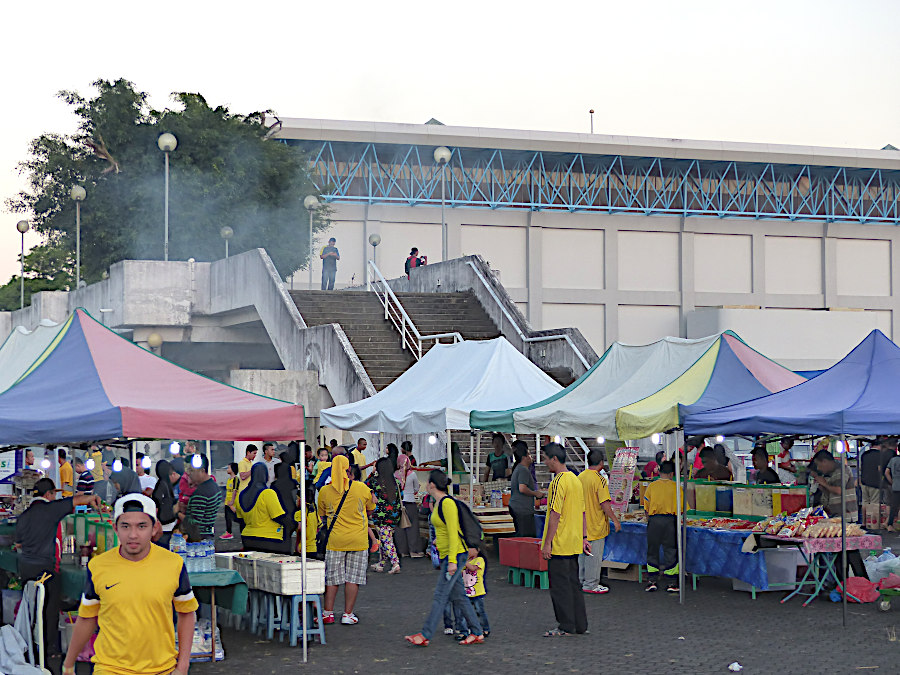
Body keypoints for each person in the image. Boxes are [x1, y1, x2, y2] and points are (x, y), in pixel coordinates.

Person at [61, 494, 198, 675]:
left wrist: (183, 666)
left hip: (161, 669)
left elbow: (187, 614)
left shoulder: (173, 564)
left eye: (142, 526)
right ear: (115, 528)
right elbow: (87, 618)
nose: (133, 535)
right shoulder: (98, 566)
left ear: (155, 528)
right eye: (125, 526)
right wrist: (68, 664)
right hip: (110, 668)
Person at [16, 478, 100, 656]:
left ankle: (28, 646)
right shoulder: (50, 509)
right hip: (45, 569)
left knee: (30, 608)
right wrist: (93, 497)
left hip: (26, 568)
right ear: (48, 494)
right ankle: (48, 650)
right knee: (49, 609)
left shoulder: (24, 515)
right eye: (54, 493)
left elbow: (18, 542)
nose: (55, 497)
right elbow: (77, 500)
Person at [404, 469, 484, 646]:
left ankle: (425, 634)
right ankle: (477, 631)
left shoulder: (447, 504)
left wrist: (453, 562)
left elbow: (453, 533)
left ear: (431, 484)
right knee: (459, 596)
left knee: (441, 595)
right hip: (449, 554)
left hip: (454, 555)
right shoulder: (440, 503)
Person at [538, 443, 589, 637]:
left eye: (545, 458)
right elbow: (583, 512)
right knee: (573, 584)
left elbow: (554, 514)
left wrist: (548, 542)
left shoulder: (558, 482)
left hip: (560, 542)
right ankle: (580, 624)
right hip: (574, 541)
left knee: (560, 588)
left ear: (554, 459)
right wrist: (584, 537)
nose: (544, 462)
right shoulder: (575, 480)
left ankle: (566, 625)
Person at [318, 455, 376, 625]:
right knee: (353, 578)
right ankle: (347, 614)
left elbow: (322, 515)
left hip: (335, 540)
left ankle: (327, 613)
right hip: (358, 540)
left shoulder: (325, 491)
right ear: (347, 469)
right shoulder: (361, 488)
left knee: (332, 578)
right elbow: (371, 509)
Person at [579, 449, 621, 595]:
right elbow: (605, 504)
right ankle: (591, 584)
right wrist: (615, 520)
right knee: (594, 557)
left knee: (582, 556)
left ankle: (582, 581)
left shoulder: (580, 477)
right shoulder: (599, 479)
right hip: (595, 524)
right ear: (601, 463)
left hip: (581, 524)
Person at [641, 460, 681, 593]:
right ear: (671, 474)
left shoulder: (652, 486)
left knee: (652, 550)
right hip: (670, 521)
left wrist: (650, 520)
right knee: (670, 550)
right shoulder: (676, 487)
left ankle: (652, 581)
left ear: (659, 472)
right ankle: (671, 583)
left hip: (654, 521)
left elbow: (646, 507)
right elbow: (681, 509)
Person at [237, 463, 288, 553]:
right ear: (266, 476)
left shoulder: (241, 495)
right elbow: (278, 516)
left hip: (247, 538)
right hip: (269, 539)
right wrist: (294, 523)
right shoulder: (267, 493)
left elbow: (240, 520)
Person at [366, 457, 403, 574]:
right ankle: (381, 563)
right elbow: (400, 495)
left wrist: (371, 473)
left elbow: (363, 485)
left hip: (380, 516)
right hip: (394, 515)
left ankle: (395, 563)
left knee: (386, 540)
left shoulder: (374, 481)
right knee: (384, 538)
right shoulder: (396, 481)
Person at [181, 454, 222, 541]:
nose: (189, 474)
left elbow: (194, 522)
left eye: (192, 471)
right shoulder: (214, 486)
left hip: (198, 540)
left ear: (202, 471)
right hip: (208, 536)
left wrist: (177, 513)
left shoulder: (201, 492)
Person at [508, 442, 543, 537]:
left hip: (518, 507)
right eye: (529, 454)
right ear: (524, 457)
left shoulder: (519, 468)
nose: (531, 457)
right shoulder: (523, 470)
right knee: (525, 536)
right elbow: (522, 488)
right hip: (522, 509)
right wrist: (535, 493)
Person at [812, 449, 857, 520]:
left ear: (824, 461)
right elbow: (832, 493)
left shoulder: (842, 470)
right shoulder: (831, 473)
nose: (818, 468)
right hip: (836, 515)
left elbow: (839, 490)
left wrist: (825, 484)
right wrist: (823, 488)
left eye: (818, 465)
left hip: (846, 516)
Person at [394, 454, 424, 558]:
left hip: (399, 503)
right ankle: (413, 551)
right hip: (410, 503)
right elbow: (416, 489)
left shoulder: (395, 474)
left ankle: (403, 551)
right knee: (412, 527)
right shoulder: (412, 474)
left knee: (400, 528)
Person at [151, 459, 179, 549]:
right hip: (170, 522)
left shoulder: (161, 484)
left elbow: (156, 504)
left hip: (163, 525)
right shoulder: (168, 485)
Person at [271, 461, 298, 553]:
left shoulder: (274, 485)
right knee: (289, 534)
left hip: (280, 512)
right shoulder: (293, 483)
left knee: (282, 534)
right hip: (292, 511)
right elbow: (295, 498)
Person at [221, 462, 240, 540]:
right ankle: (229, 532)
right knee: (228, 518)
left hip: (232, 503)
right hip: (227, 503)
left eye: (229, 468)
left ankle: (247, 527)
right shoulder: (229, 480)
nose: (227, 469)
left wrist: (232, 502)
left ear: (233, 469)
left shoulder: (236, 479)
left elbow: (235, 491)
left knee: (236, 518)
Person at [884, 450, 900, 530]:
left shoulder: (893, 460)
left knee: (893, 507)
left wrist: (892, 481)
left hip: (895, 486)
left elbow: (886, 472)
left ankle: (890, 525)